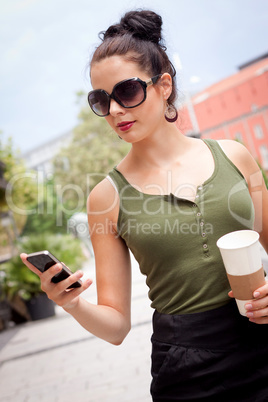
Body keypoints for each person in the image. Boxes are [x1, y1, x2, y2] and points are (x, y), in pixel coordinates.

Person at [21, 9, 268, 402]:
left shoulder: (235, 156)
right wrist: (69, 302)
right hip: (188, 370)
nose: (115, 109)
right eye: (101, 100)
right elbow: (116, 328)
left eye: (128, 91)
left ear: (163, 85)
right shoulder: (106, 198)